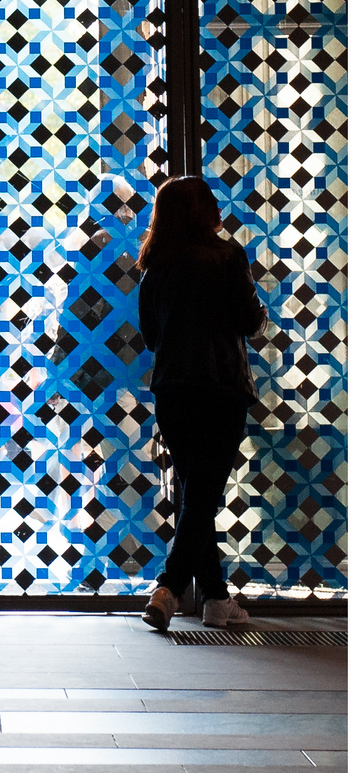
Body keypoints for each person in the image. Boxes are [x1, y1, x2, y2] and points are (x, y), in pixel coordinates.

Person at [137, 175, 266, 631]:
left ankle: (215, 599)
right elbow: (252, 322)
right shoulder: (228, 256)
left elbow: (151, 336)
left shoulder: (156, 266)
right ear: (202, 211)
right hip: (221, 388)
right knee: (201, 495)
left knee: (197, 493)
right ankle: (168, 589)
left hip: (172, 390)